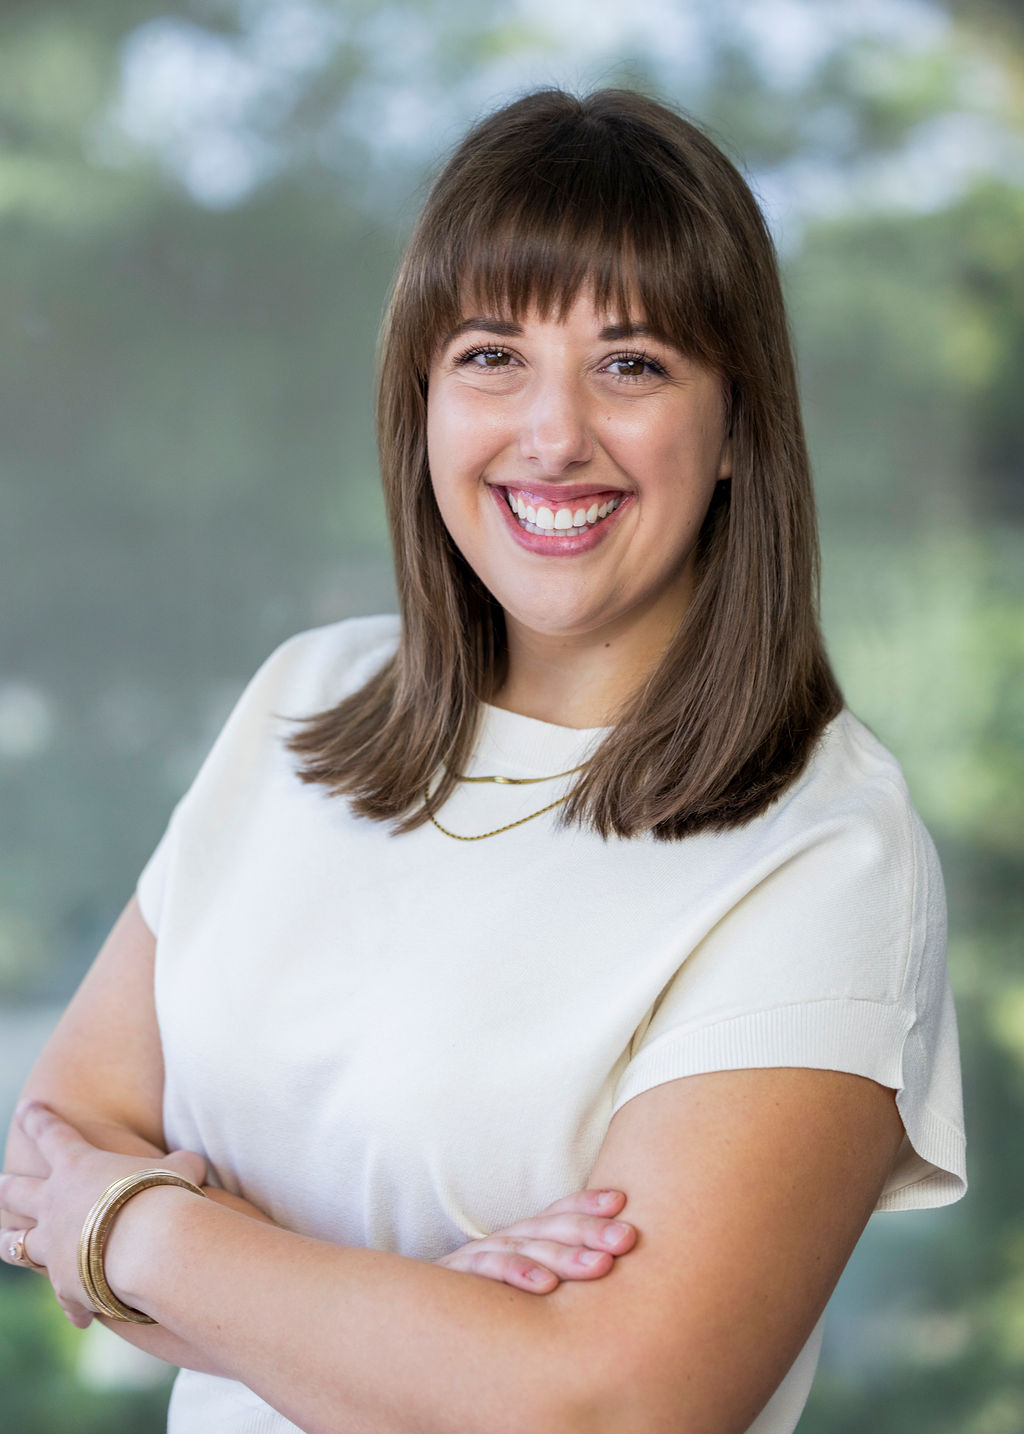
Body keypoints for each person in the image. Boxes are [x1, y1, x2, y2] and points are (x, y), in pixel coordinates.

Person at [1, 87, 966, 1434]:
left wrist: (150, 1240)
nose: (552, 433)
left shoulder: (828, 851)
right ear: (423, 398)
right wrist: (428, 1329)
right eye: (492, 355)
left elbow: (612, 1403)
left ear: (741, 423)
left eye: (631, 363)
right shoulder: (305, 698)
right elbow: (53, 1145)